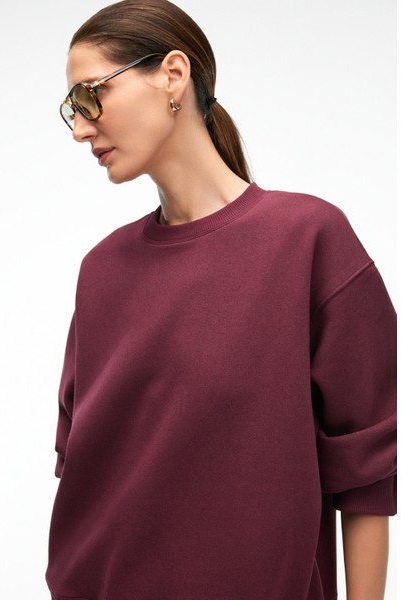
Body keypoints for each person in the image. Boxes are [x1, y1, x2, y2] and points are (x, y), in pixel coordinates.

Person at [46, 1, 397, 598]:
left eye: (90, 97)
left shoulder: (308, 240)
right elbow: (79, 468)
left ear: (172, 75)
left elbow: (366, 472)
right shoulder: (101, 271)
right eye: (71, 110)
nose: (80, 128)